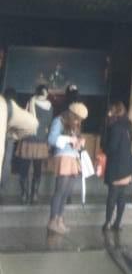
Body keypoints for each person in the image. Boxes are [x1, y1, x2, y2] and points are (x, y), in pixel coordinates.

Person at [47, 100, 88, 234]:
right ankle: (52, 221)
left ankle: (60, 220)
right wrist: (70, 139)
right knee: (60, 191)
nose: (79, 121)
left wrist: (79, 143)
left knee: (66, 192)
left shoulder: (74, 124)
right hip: (63, 157)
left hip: (73, 157)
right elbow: (51, 139)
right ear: (72, 114)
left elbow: (74, 142)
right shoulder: (59, 121)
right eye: (77, 118)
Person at [15, 84, 53, 204]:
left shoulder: (31, 102)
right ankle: (34, 194)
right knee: (37, 168)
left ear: (36, 92)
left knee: (24, 168)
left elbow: (25, 118)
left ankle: (24, 194)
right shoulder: (50, 106)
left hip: (28, 139)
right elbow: (48, 123)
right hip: (41, 141)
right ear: (46, 93)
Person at [102, 101, 132, 233]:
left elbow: (112, 147)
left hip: (116, 165)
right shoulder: (128, 126)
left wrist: (104, 149)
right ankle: (118, 222)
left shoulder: (115, 127)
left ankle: (108, 222)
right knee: (122, 195)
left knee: (112, 195)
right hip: (127, 164)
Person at [0, 92, 37, 191]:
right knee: (6, 162)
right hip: (9, 137)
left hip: (8, 137)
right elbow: (33, 124)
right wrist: (15, 135)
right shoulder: (13, 109)